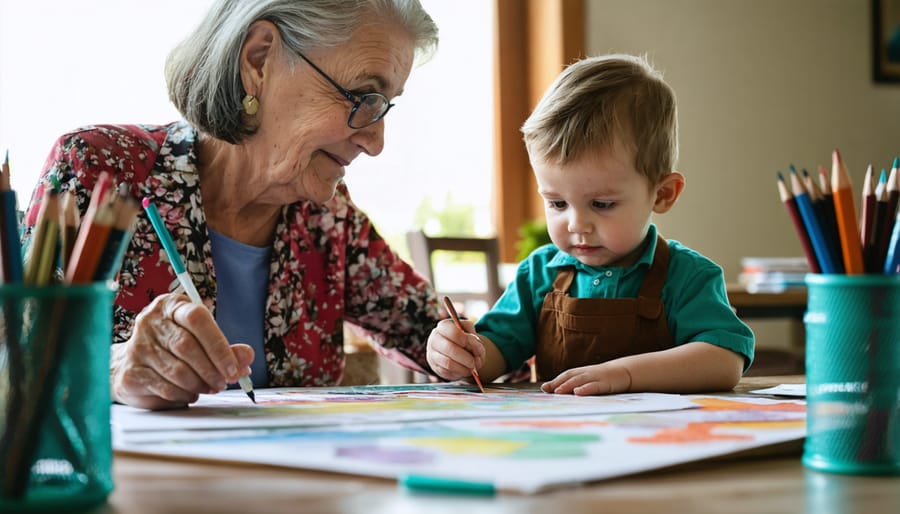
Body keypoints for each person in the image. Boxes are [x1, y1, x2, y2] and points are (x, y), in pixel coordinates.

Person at [21, 0, 441, 410]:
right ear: (259, 60)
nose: (376, 142)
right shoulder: (99, 171)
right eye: (363, 97)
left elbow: (437, 333)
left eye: (384, 107)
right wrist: (113, 366)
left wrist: (476, 341)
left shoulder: (327, 220)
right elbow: (15, 354)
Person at [427, 54, 755, 396]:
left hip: (660, 440)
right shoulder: (539, 274)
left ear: (662, 194)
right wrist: (463, 354)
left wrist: (625, 374)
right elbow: (497, 350)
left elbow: (724, 361)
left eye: (602, 204)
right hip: (567, 443)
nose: (576, 224)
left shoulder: (689, 277)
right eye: (556, 203)